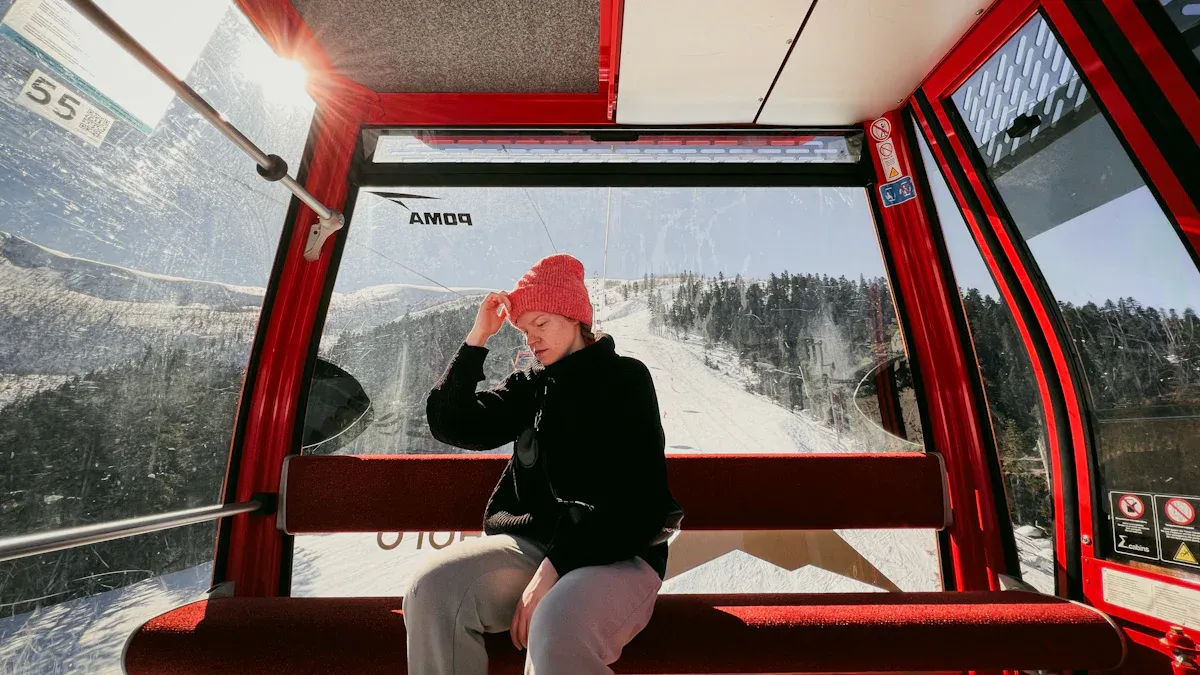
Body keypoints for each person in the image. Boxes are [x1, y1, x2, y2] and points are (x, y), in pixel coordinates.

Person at [406, 253, 676, 675]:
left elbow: (637, 504)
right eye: (524, 330)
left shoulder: (625, 379)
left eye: (541, 324)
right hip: (533, 548)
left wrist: (552, 572)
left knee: (556, 624)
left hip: (619, 555)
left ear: (574, 318)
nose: (531, 339)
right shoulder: (530, 386)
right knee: (434, 588)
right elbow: (451, 423)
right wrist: (478, 337)